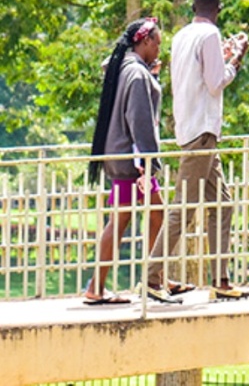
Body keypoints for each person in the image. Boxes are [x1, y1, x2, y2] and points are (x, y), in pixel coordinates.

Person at [145, 0, 249, 303]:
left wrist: (223, 58)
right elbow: (217, 82)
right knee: (183, 209)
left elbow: (198, 74)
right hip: (203, 130)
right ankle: (151, 277)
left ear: (194, 7)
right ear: (218, 9)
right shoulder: (210, 35)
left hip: (190, 126)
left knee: (223, 203)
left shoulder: (181, 36)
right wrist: (236, 60)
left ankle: (220, 278)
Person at [83, 18, 168, 305]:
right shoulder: (137, 75)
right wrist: (148, 160)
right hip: (134, 163)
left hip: (121, 157)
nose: (159, 49)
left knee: (146, 215)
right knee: (125, 219)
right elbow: (139, 120)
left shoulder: (123, 68)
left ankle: (155, 277)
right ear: (145, 42)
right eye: (157, 43)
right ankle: (105, 285)